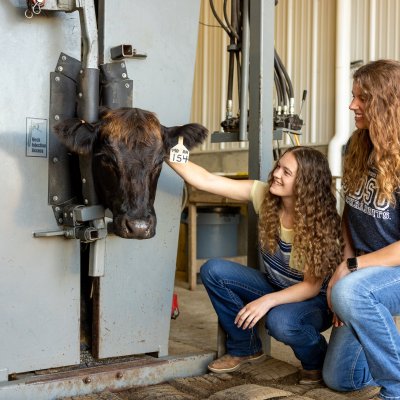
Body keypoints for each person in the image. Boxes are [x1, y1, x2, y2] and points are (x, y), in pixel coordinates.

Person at [168, 146, 343, 384]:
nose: (277, 174)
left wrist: (266, 301)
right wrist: (163, 149)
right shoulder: (265, 195)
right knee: (214, 271)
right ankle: (245, 347)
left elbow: (310, 287)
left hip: (314, 302)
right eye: (278, 166)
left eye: (286, 172)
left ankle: (315, 361)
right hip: (276, 285)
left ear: (305, 183)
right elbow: (205, 180)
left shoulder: (319, 224)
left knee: (280, 321)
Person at [323, 59, 400, 400]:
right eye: (353, 96)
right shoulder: (358, 144)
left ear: (387, 103)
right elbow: (348, 214)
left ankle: (396, 388)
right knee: (342, 378)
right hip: (367, 270)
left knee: (351, 293)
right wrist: (348, 260)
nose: (352, 105)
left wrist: (350, 272)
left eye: (362, 98)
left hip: (390, 269)